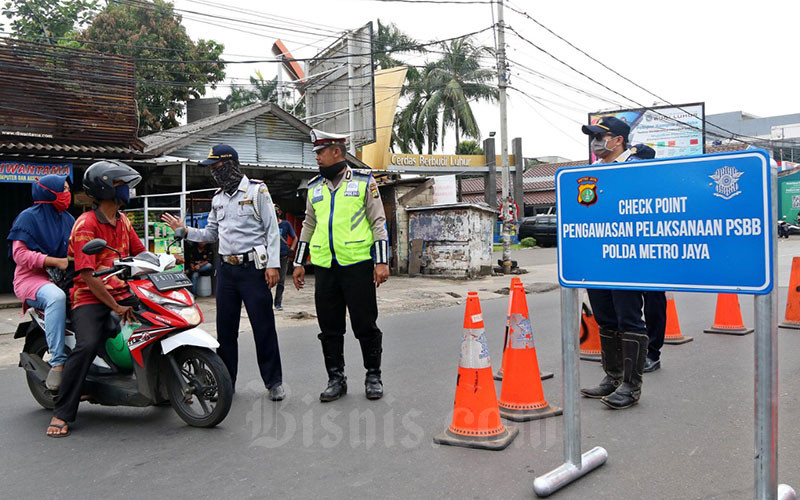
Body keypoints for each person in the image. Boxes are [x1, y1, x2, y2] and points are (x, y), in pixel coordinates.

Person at [162, 144, 285, 401]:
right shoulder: (217, 198)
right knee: (225, 330)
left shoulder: (257, 190)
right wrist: (186, 232)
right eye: (212, 169)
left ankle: (274, 382)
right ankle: (226, 381)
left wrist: (273, 265)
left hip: (253, 269)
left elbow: (272, 230)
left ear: (230, 164)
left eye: (217, 167)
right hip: (225, 271)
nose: (214, 173)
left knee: (263, 327)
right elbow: (211, 234)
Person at [47, 161, 144, 437]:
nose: (125, 190)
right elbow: (88, 276)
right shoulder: (86, 224)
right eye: (119, 185)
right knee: (87, 344)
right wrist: (115, 306)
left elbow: (140, 255)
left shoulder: (123, 221)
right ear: (105, 189)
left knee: (156, 321)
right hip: (89, 295)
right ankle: (62, 412)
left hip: (120, 289)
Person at [292, 129, 390, 402]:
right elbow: (309, 225)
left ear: (337, 151)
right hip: (325, 269)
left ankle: (373, 375)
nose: (317, 159)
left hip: (357, 266)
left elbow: (378, 222)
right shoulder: (315, 187)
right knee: (330, 327)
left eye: (320, 153)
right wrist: (299, 262)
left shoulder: (363, 182)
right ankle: (336, 378)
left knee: (365, 324)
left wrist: (381, 261)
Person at [578, 117, 656, 409]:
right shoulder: (593, 173)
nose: (596, 142)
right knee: (605, 318)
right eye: (593, 137)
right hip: (600, 257)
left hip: (628, 256)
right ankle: (612, 377)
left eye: (601, 136)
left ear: (619, 140)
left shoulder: (636, 163)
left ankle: (631, 387)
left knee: (629, 318)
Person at [8, 175, 75, 392]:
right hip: (32, 279)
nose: (67, 194)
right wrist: (54, 261)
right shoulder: (27, 218)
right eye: (62, 189)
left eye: (67, 189)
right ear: (49, 192)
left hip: (64, 277)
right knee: (56, 297)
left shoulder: (68, 219)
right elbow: (19, 255)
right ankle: (57, 361)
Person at [273, 205, 296, 311]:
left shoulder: (286, 224)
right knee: (267, 280)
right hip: (270, 256)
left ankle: (278, 303)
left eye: (276, 210)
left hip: (283, 256)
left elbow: (295, 238)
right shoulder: (268, 224)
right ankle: (267, 302)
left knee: (281, 281)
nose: (275, 212)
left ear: (280, 212)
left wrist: (291, 249)